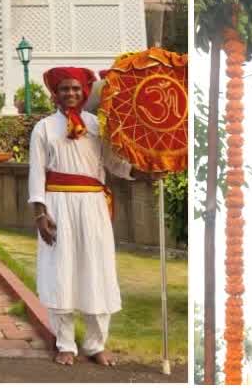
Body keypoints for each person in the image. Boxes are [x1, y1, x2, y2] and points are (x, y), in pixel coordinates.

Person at [28, 67, 151, 366]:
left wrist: (144, 171)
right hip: (58, 204)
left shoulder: (99, 126)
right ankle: (65, 343)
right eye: (63, 89)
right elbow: (36, 173)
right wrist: (40, 214)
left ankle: (96, 344)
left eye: (75, 89)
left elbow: (114, 163)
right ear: (54, 94)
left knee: (97, 270)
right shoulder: (43, 128)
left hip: (93, 205)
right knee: (61, 271)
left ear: (85, 92)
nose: (70, 94)